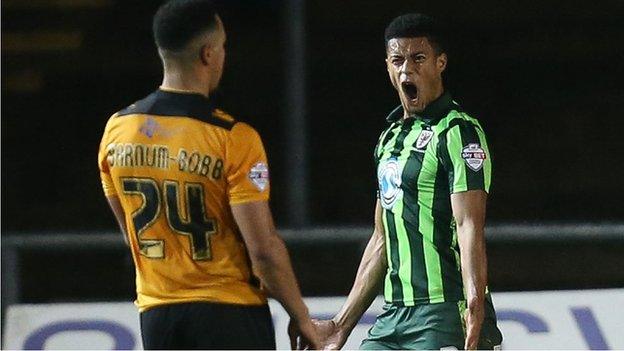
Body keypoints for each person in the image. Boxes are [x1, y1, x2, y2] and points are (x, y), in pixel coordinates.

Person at [97, 1, 319, 349]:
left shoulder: (117, 130)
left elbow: (131, 235)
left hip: (158, 317)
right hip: (228, 315)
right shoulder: (233, 137)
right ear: (208, 54)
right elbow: (263, 251)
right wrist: (301, 316)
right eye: (223, 47)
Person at [306, 14, 503, 350]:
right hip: (394, 316)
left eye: (418, 58)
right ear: (387, 68)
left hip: (444, 310)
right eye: (398, 60)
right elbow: (383, 238)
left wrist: (474, 300)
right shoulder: (390, 138)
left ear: (440, 63)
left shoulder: (459, 132)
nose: (406, 69)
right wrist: (340, 325)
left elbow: (469, 225)